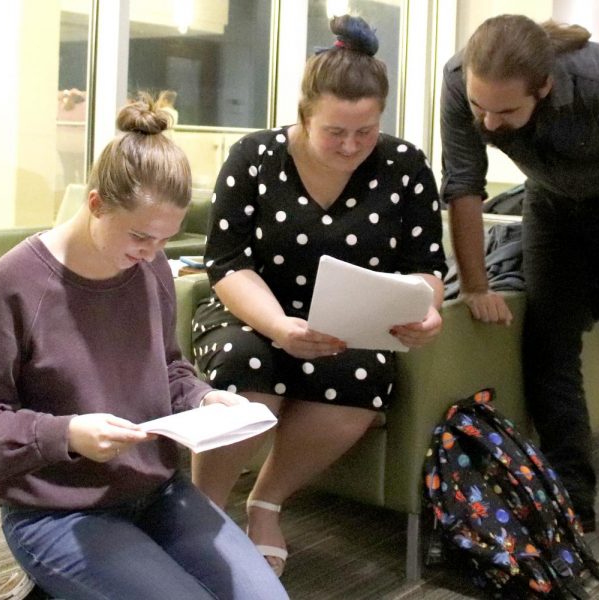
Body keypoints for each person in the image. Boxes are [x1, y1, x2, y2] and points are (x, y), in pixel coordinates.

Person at [0, 95, 289, 600]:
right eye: (141, 236)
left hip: (156, 491)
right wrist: (67, 434)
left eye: (165, 241)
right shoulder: (16, 284)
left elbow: (167, 369)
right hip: (57, 511)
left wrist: (203, 398)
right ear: (96, 203)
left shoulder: (149, 270)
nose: (151, 254)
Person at [191, 15, 446, 577]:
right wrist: (281, 326)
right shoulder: (254, 157)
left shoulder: (405, 167)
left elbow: (425, 265)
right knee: (246, 367)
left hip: (351, 323)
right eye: (335, 131)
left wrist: (428, 308)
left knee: (359, 378)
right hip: (252, 310)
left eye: (366, 131)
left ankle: (266, 503)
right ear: (304, 117)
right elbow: (227, 263)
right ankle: (200, 513)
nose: (351, 146)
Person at [439, 15, 599, 558]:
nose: (488, 121)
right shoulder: (460, 79)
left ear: (545, 87)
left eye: (505, 111)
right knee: (549, 346)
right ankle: (570, 492)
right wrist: (474, 284)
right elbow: (464, 183)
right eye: (479, 107)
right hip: (553, 204)